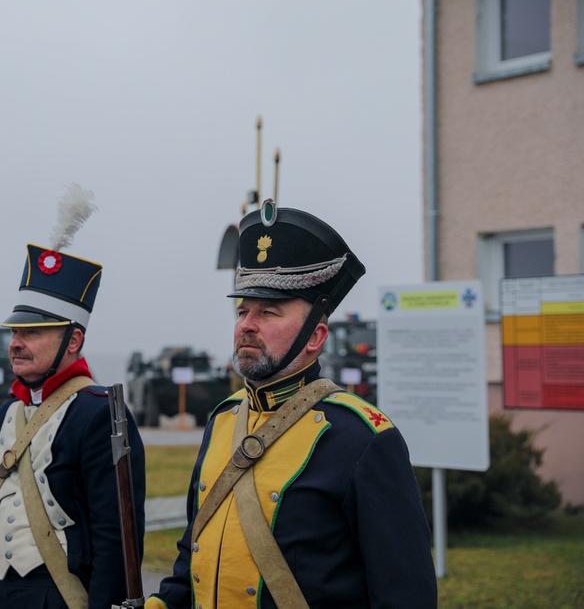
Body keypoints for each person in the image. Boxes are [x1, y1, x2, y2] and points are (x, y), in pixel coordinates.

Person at [146, 202, 437, 608]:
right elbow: (191, 555)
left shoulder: (362, 438)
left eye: (268, 312)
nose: (247, 324)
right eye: (243, 310)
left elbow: (405, 593)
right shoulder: (224, 419)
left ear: (315, 336)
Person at [0, 237, 146, 609]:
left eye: (32, 332)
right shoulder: (4, 416)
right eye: (15, 332)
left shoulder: (98, 414)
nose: (16, 342)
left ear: (73, 340)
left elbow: (116, 543)